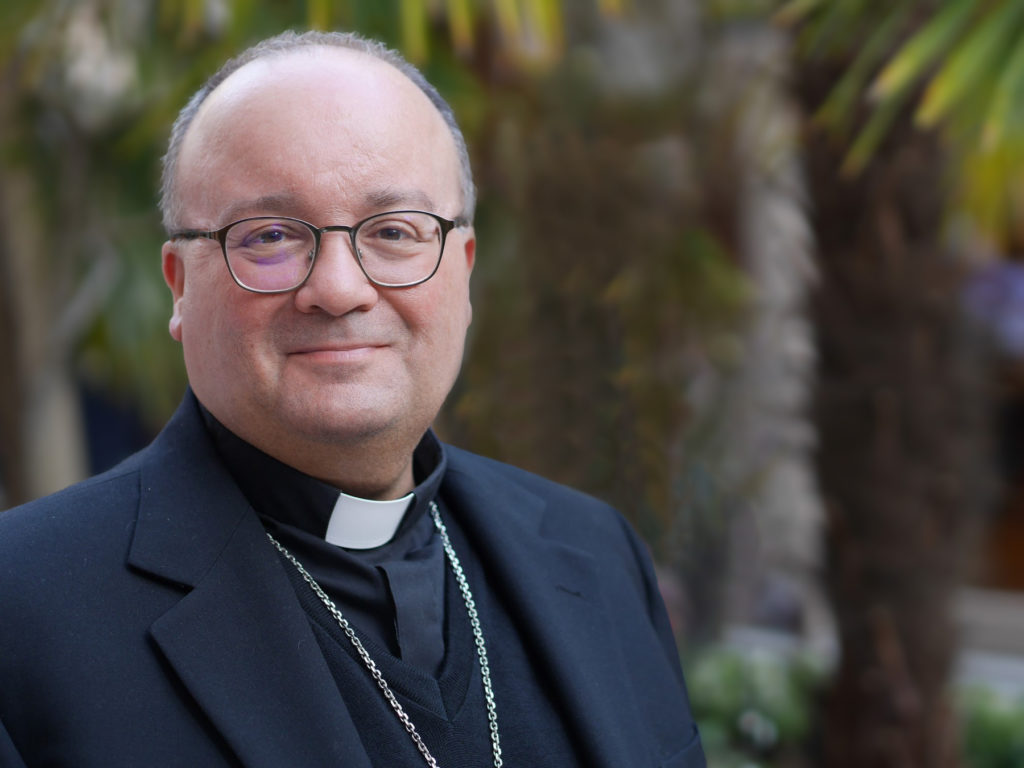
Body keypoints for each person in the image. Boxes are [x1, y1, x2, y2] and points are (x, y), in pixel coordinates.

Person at [0, 30, 705, 768]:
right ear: (179, 283)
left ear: (460, 272)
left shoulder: (596, 554)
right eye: (269, 236)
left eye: (394, 231)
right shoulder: (19, 613)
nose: (338, 289)